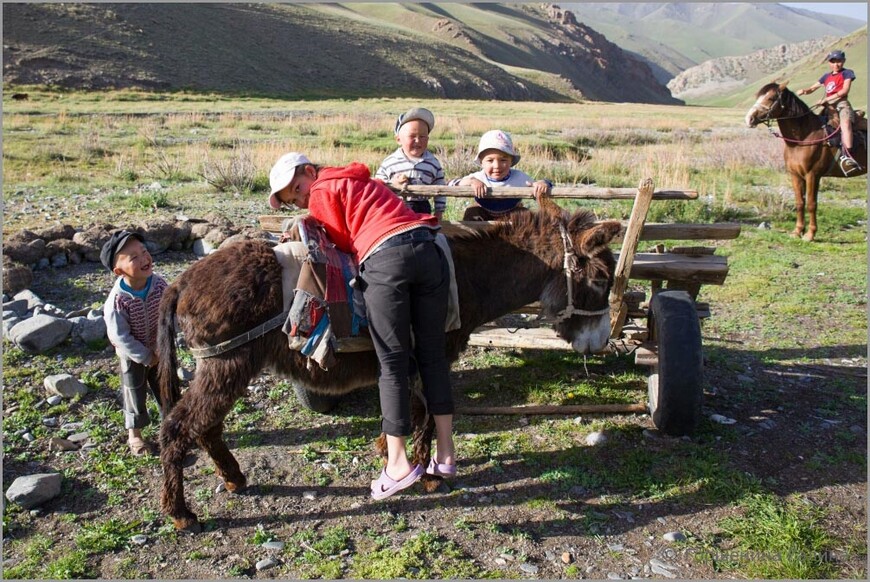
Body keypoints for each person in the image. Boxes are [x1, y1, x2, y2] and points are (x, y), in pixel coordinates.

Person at [268, 152, 457, 500]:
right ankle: (445, 454)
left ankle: (398, 464)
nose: (301, 199)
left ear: (310, 172)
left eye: (298, 189)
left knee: (393, 363)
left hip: (387, 259)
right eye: (293, 199)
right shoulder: (362, 180)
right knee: (432, 354)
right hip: (427, 249)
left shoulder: (324, 191)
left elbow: (340, 242)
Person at [101, 230, 168, 457]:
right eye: (134, 257)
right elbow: (120, 337)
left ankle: (173, 426)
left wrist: (162, 346)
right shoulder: (117, 300)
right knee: (134, 392)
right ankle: (135, 434)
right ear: (118, 270)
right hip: (133, 356)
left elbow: (170, 313)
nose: (144, 258)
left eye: (144, 251)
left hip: (160, 348)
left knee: (167, 388)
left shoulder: (159, 285)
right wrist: (146, 356)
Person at [454, 129, 551, 220]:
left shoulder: (519, 177)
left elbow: (539, 184)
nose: (497, 166)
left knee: (525, 213)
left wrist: (542, 183)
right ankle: (473, 237)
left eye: (503, 160)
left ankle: (524, 238)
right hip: (484, 214)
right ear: (481, 162)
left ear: (511, 161)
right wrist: (471, 181)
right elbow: (452, 184)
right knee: (472, 212)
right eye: (490, 160)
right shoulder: (478, 178)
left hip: (511, 215)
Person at [375, 107, 447, 221]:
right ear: (399, 139)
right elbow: (378, 185)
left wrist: (439, 210)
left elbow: (441, 187)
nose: (417, 141)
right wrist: (393, 184)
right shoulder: (391, 162)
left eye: (422, 137)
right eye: (412, 136)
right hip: (396, 206)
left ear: (428, 139)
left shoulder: (432, 163)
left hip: (422, 206)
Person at [797, 49, 861, 174]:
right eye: (833, 61)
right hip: (828, 107)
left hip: (841, 104)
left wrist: (827, 98)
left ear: (843, 61)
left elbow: (844, 91)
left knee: (846, 124)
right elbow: (813, 88)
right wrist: (804, 91)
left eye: (839, 61)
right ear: (829, 63)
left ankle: (848, 155)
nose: (836, 64)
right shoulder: (826, 76)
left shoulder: (847, 73)